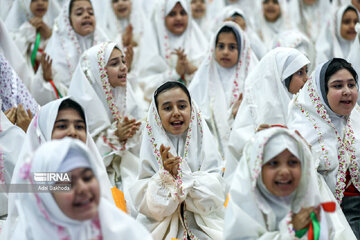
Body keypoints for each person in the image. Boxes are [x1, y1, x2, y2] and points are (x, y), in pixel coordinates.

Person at [1, 97, 114, 239]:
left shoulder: (93, 174)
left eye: (79, 126)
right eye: (62, 126)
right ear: (44, 132)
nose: (73, 132)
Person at [130, 82, 225, 239]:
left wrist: (182, 177)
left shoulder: (202, 139)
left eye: (182, 106)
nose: (176, 113)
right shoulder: (149, 144)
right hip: (160, 228)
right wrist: (165, 179)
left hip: (206, 225)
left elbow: (215, 192)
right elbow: (147, 205)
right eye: (167, 108)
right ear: (157, 114)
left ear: (191, 109)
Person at [224, 127, 356, 239]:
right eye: (273, 163)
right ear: (257, 169)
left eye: (293, 162)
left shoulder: (307, 202)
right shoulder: (244, 209)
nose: (285, 171)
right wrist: (292, 231)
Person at [10, 138, 153, 240]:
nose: (83, 188)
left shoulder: (119, 229)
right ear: (45, 197)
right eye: (68, 184)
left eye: (87, 177)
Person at [69, 42, 144, 215]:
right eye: (115, 63)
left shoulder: (125, 95)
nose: (124, 67)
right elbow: (81, 158)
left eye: (123, 61)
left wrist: (131, 134)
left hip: (128, 167)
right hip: (97, 175)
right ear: (98, 73)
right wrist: (114, 137)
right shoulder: (79, 109)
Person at [287, 58, 360, 238]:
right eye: (337, 86)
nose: (347, 92)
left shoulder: (356, 119)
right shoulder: (304, 129)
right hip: (333, 214)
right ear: (321, 91)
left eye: (351, 85)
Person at [225, 48, 309, 182]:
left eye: (306, 71)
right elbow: (237, 148)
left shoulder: (305, 107)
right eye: (299, 73)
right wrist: (256, 140)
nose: (306, 78)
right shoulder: (254, 110)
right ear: (282, 76)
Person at [189, 21, 258, 158]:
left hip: (243, 150)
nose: (225, 52)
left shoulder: (251, 79)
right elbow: (194, 116)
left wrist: (239, 116)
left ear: (242, 50)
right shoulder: (204, 77)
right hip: (209, 149)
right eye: (221, 46)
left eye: (232, 47)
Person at [31, 0, 107, 106]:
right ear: (68, 20)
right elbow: (41, 96)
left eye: (90, 13)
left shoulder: (104, 45)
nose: (86, 16)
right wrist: (49, 81)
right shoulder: (58, 51)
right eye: (79, 13)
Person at [136, 0, 208, 101]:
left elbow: (212, 81)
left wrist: (191, 70)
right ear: (162, 17)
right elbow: (147, 87)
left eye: (183, 13)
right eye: (172, 14)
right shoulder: (152, 46)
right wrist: (175, 73)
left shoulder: (200, 43)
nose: (178, 18)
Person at [5, 0, 60, 73]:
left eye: (45, 0)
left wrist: (50, 36)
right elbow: (11, 57)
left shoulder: (56, 27)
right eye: (34, 0)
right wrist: (25, 36)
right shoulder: (14, 30)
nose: (40, 3)